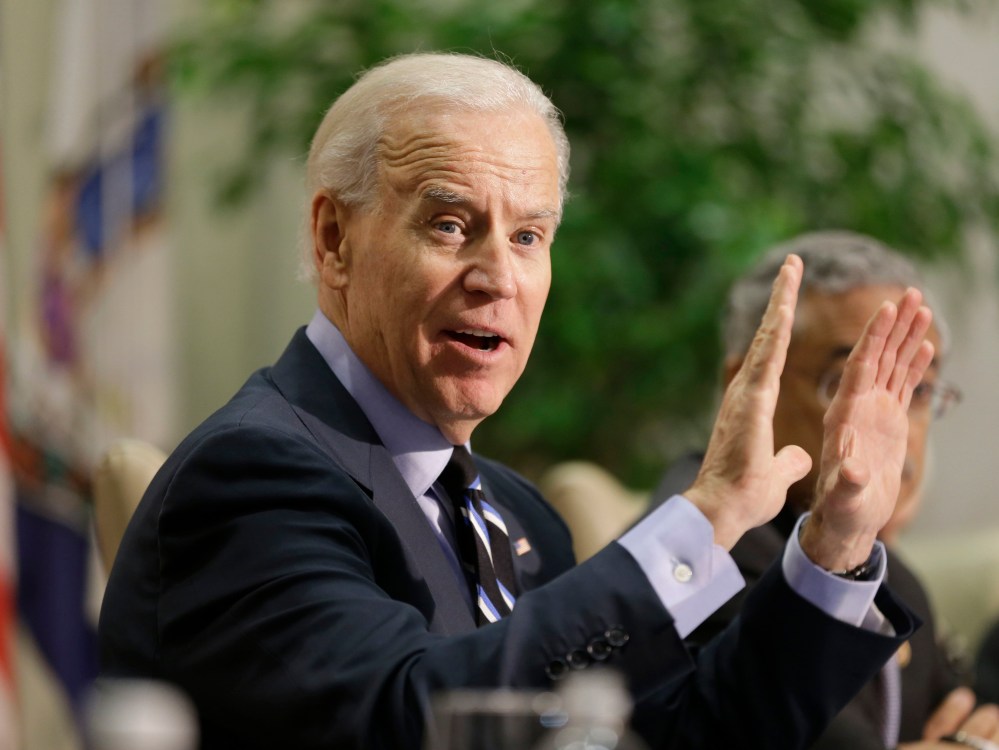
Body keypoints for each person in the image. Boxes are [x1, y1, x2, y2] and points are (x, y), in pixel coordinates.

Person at [99, 53, 934, 750]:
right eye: (451, 224)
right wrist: (706, 513)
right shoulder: (253, 473)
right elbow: (415, 719)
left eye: (529, 236)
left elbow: (679, 739)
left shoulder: (515, 515)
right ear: (333, 240)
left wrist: (835, 544)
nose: (498, 276)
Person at [653, 230, 999, 750]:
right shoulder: (697, 547)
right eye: (846, 382)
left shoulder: (893, 577)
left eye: (917, 389)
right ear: (744, 387)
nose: (893, 424)